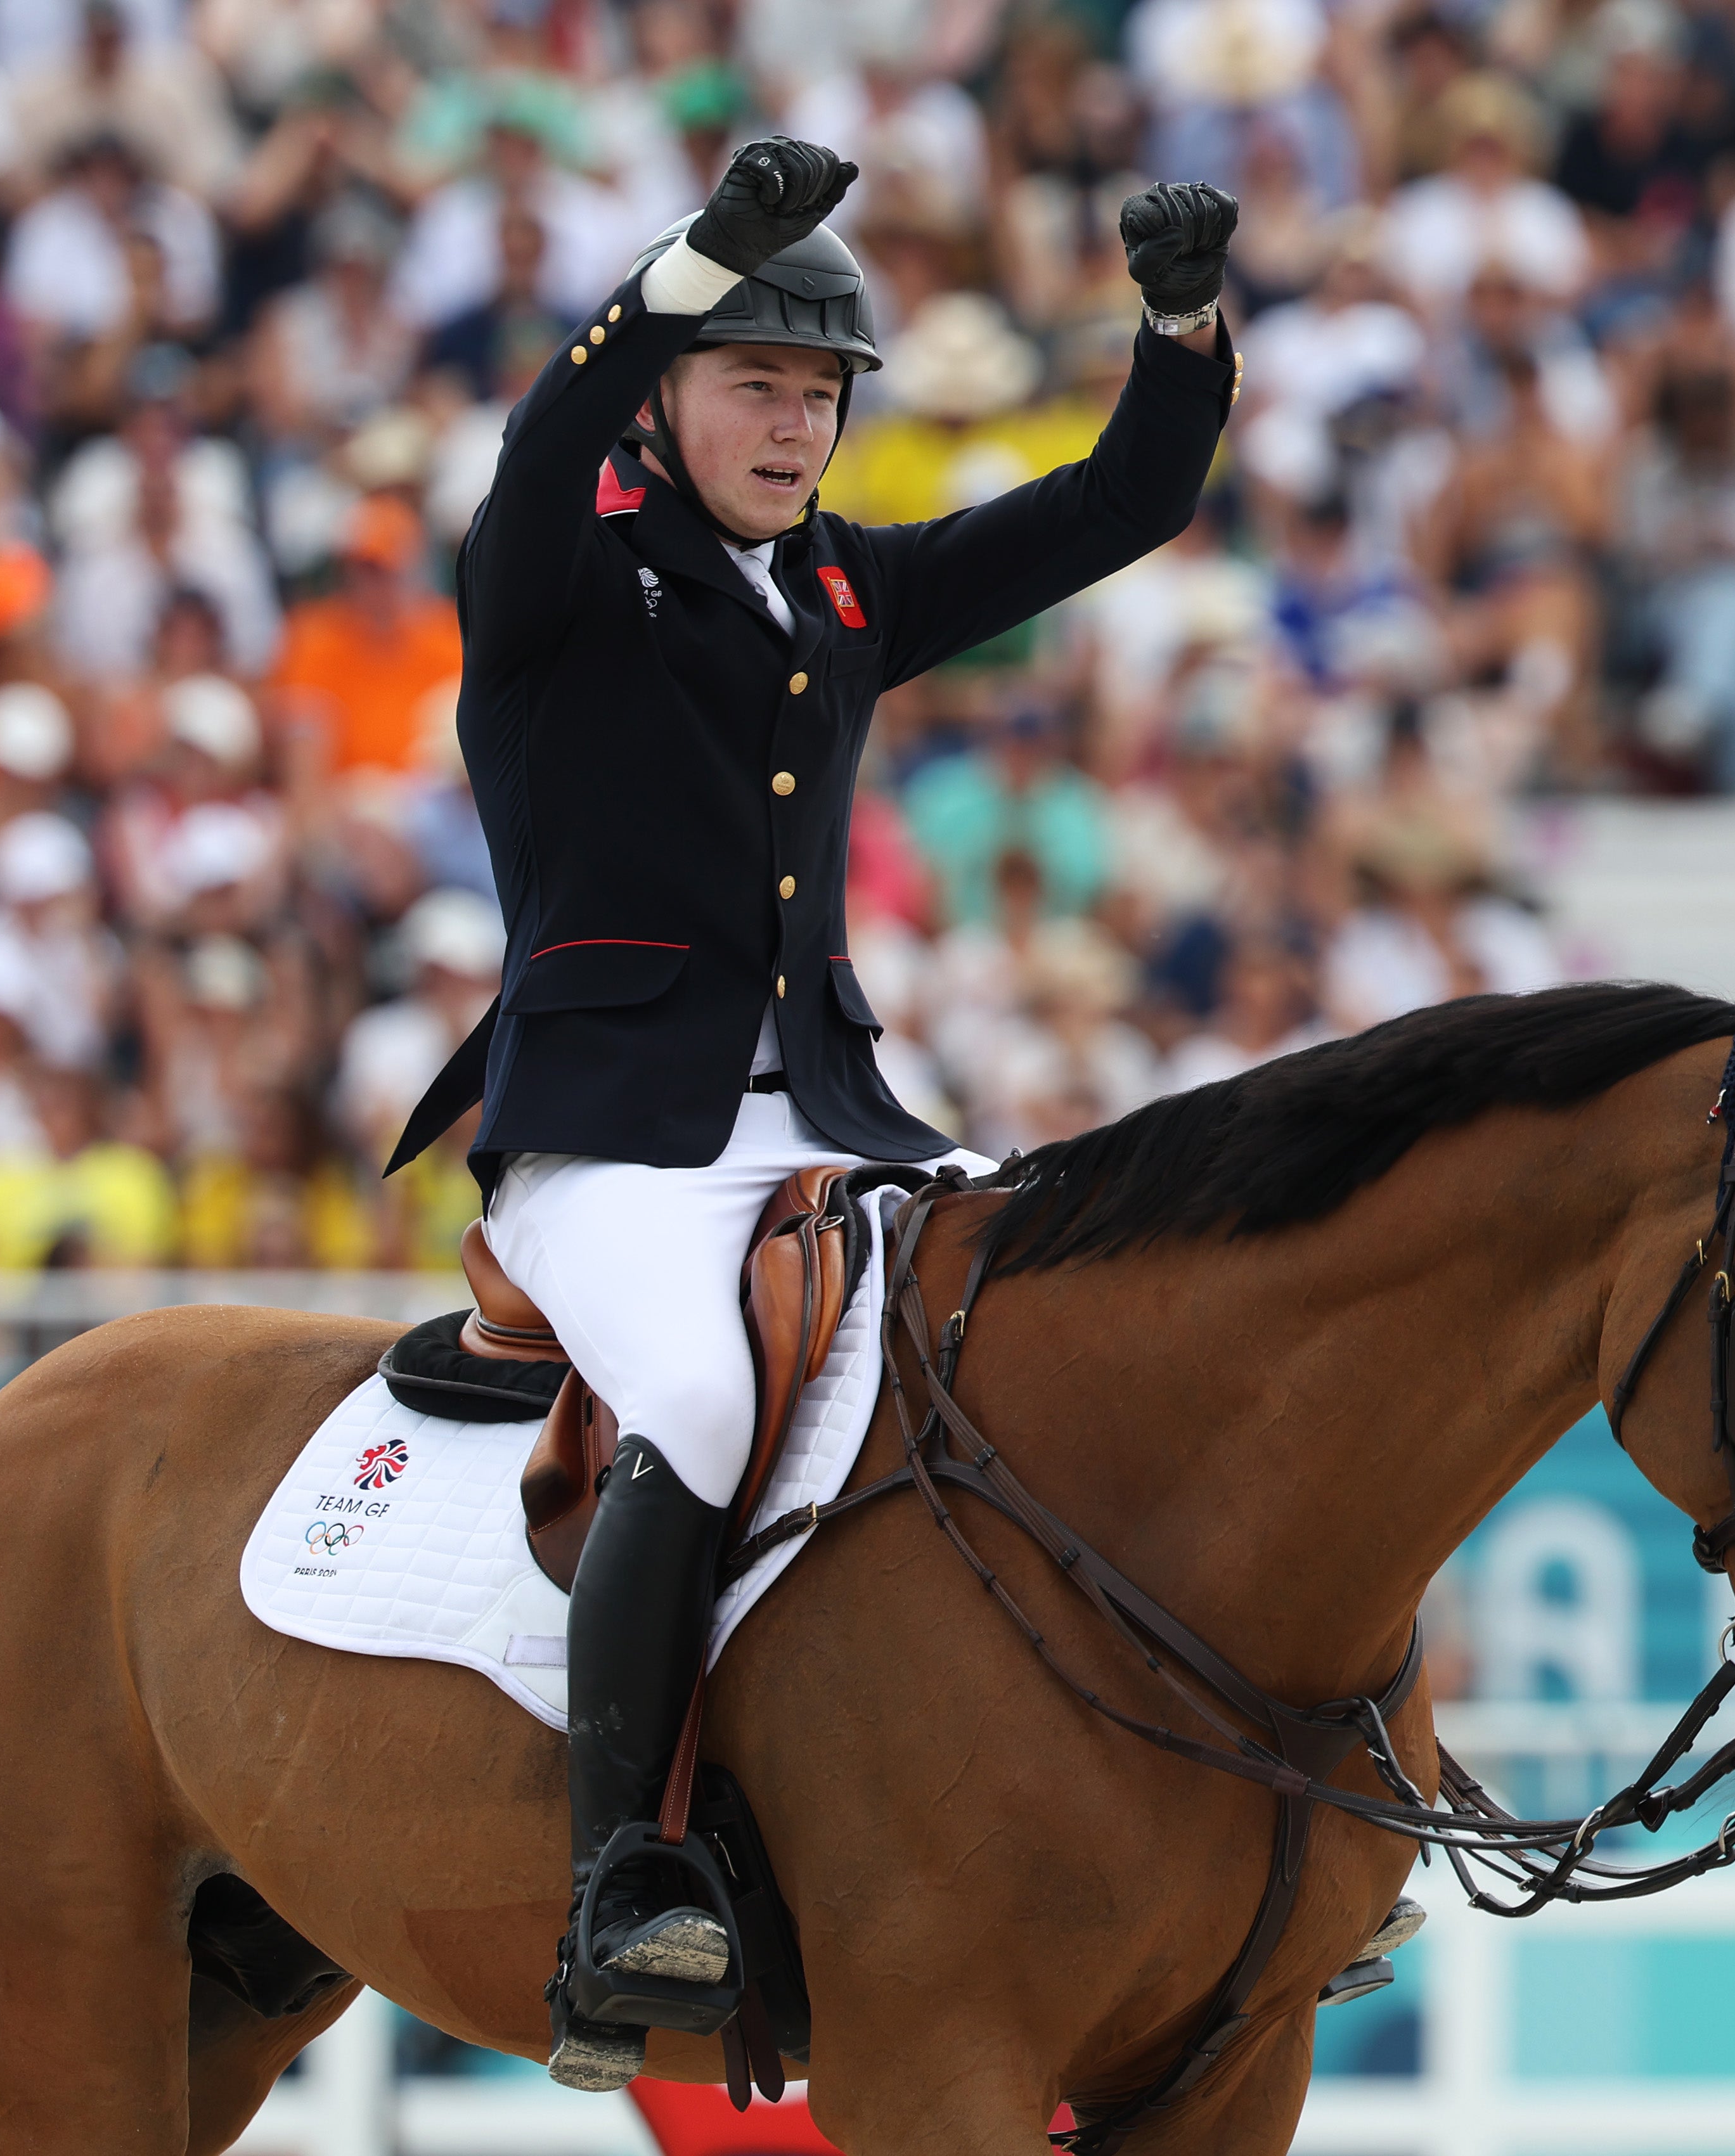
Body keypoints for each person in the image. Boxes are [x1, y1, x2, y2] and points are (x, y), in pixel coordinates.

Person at [381, 136, 1241, 2088]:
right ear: (669, 394)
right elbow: (537, 445)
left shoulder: (846, 585)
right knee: (691, 1401)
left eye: (819, 391)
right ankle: (624, 1883)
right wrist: (695, 259)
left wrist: (1178, 327)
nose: (794, 422)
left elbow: (1124, 499)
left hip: (835, 1114)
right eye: (753, 383)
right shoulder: (555, 578)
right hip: (607, 1137)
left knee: (1046, 1322)